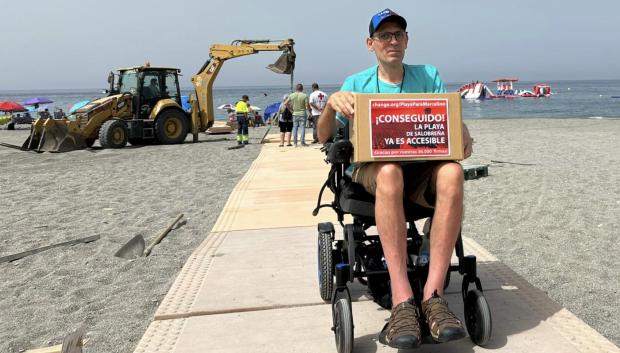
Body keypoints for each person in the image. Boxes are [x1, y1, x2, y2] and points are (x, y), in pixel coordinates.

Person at [317, 8, 474, 350]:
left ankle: (433, 295)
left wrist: (461, 130)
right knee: (389, 171)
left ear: (406, 41)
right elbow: (323, 136)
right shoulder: (355, 84)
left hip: (419, 169)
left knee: (452, 171)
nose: (392, 40)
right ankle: (403, 299)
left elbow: (449, 128)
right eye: (384, 36)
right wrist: (331, 105)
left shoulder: (428, 76)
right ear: (370, 43)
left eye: (398, 35)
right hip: (374, 172)